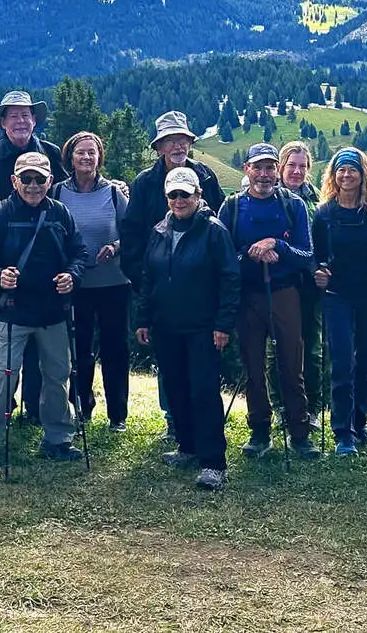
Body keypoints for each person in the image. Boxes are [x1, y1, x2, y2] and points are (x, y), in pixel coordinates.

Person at [0, 152, 88, 466]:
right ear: (14, 181)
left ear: (50, 181)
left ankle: (58, 438)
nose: (33, 185)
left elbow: (79, 253)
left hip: (54, 311)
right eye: (27, 178)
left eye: (40, 179)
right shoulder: (1, 215)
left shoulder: (61, 213)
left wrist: (72, 276)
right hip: (13, 311)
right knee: (1, 378)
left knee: (57, 376)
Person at [134, 166, 240, 491]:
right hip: (166, 325)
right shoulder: (159, 230)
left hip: (203, 327)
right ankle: (187, 446)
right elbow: (148, 277)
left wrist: (223, 324)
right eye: (173, 194)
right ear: (167, 198)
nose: (179, 200)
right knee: (176, 386)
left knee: (204, 391)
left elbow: (229, 278)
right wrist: (143, 318)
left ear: (198, 195)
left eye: (185, 194)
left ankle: (213, 462)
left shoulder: (214, 230)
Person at [119, 110, 225, 435]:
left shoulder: (205, 176)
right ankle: (174, 422)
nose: (177, 146)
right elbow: (132, 238)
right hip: (160, 293)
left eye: (183, 139)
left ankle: (203, 427)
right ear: (160, 147)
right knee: (169, 363)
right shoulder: (145, 184)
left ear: (189, 143)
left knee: (201, 365)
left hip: (200, 293)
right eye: (170, 140)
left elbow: (220, 228)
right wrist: (146, 286)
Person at [218, 143, 319, 460]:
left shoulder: (294, 206)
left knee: (292, 365)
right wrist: (250, 253)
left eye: (270, 167)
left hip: (285, 293)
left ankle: (299, 432)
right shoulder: (232, 207)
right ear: (246, 169)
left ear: (277, 170)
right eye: (257, 167)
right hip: (248, 296)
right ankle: (260, 431)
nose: (264, 174)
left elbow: (307, 255)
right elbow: (222, 257)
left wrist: (277, 245)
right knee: (253, 368)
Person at [0, 90, 67, 424]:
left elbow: (71, 229)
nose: (20, 121)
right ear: (2, 122)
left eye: (26, 115)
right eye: (13, 115)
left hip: (45, 275)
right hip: (5, 269)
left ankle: (35, 413)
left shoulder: (53, 155)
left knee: (46, 362)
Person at [312, 147, 367, 457]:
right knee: (343, 363)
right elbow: (315, 255)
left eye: (352, 169)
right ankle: (343, 432)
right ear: (333, 174)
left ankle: (360, 422)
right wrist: (319, 272)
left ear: (362, 174)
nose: (346, 175)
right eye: (341, 170)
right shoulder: (324, 214)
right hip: (337, 295)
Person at [54, 131, 130, 431]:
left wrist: (115, 246)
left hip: (114, 283)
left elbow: (131, 232)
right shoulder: (58, 193)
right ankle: (82, 408)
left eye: (92, 152)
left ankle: (118, 416)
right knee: (79, 350)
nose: (86, 157)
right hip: (76, 286)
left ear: (100, 157)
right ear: (69, 158)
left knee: (115, 350)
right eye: (80, 152)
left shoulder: (114, 193)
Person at [268, 141, 323, 428]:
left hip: (310, 284)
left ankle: (310, 408)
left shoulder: (318, 201)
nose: (297, 171)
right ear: (280, 167)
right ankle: (280, 406)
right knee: (276, 348)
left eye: (302, 166)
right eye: (292, 165)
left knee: (311, 348)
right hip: (278, 283)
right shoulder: (267, 197)